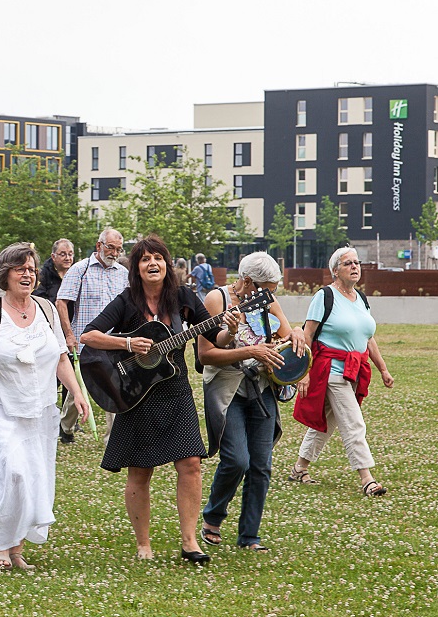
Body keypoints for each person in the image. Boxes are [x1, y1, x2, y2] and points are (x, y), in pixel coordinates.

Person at [80, 235, 239, 564]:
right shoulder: (126, 301)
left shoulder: (181, 298)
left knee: (191, 464)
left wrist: (232, 331)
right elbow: (89, 335)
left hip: (175, 390)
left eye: (158, 258)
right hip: (137, 394)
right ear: (136, 268)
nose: (152, 264)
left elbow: (215, 338)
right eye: (145, 259)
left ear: (168, 264)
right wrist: (127, 344)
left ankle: (191, 542)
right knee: (140, 470)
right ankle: (143, 544)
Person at [0, 243, 91, 570]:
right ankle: (0, 545)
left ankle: (15, 547)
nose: (28, 274)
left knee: (33, 477)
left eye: (32, 269)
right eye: (20, 268)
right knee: (13, 473)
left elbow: (60, 356)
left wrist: (76, 392)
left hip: (39, 408)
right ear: (5, 273)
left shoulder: (47, 309)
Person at [198, 252, 305, 552]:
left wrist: (295, 333)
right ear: (246, 281)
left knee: (261, 464)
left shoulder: (267, 299)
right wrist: (250, 352)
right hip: (227, 388)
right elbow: (205, 355)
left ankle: (249, 536)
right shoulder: (216, 299)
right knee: (236, 459)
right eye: (266, 288)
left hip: (261, 388)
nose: (271, 296)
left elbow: (287, 335)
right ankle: (213, 518)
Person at [290, 247, 394, 497]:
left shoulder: (361, 299)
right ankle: (367, 478)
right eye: (348, 263)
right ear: (335, 270)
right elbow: (307, 334)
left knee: (326, 423)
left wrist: (383, 369)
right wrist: (303, 372)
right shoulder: (324, 296)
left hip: (355, 370)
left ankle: (299, 469)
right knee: (353, 422)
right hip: (332, 370)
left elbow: (368, 338)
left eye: (357, 262)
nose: (355, 267)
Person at [55, 228, 128, 445]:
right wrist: (69, 335)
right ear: (99, 246)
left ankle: (112, 438)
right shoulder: (80, 270)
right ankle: (66, 426)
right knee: (79, 387)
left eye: (118, 249)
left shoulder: (123, 274)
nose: (114, 253)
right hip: (84, 340)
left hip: (113, 340)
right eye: (110, 248)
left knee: (112, 385)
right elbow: (61, 302)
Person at [32, 239, 74, 304]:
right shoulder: (43, 275)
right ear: (53, 256)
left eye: (70, 254)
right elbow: (39, 298)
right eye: (63, 255)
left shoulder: (77, 273)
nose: (67, 258)